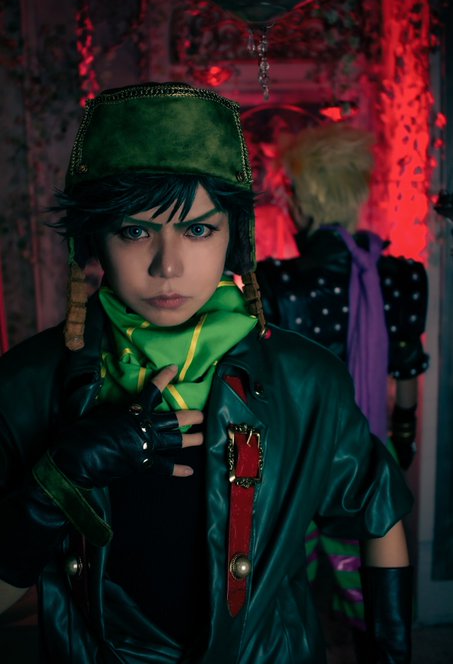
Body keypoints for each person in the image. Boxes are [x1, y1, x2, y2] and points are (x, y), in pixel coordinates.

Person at [0, 83, 414, 663]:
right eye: (134, 230)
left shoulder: (305, 378)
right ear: (94, 239)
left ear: (233, 238)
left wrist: (392, 653)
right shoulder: (26, 385)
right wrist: (57, 481)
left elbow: (378, 507)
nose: (168, 266)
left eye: (198, 229)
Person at [256, 122, 429, 658]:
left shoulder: (275, 281)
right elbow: (406, 373)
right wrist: (402, 442)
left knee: (287, 591)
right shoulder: (404, 276)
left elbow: (265, 385)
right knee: (374, 596)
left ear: (299, 202)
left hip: (295, 457)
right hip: (368, 455)